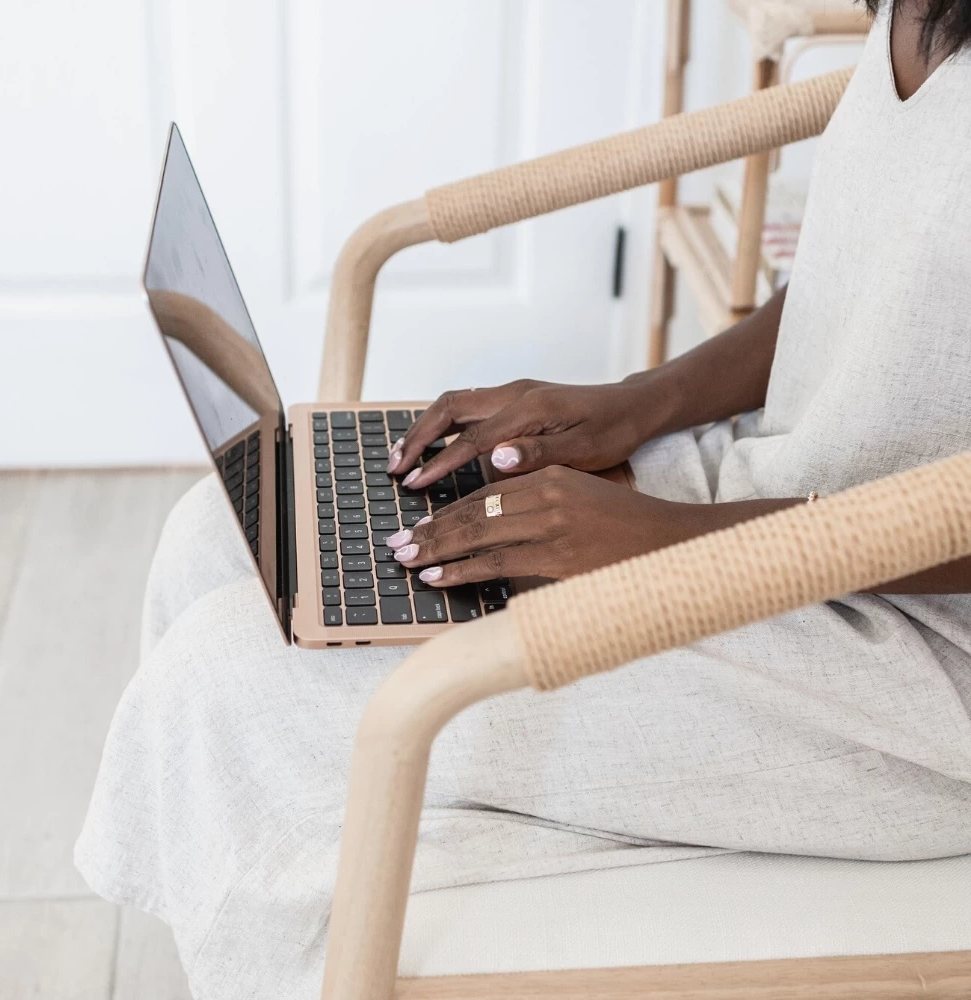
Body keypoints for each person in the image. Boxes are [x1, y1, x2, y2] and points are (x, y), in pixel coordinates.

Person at [76, 3, 971, 997]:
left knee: (229, 687)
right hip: (770, 488)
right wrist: (631, 406)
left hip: (919, 667)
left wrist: (676, 543)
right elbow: (867, 281)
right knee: (216, 536)